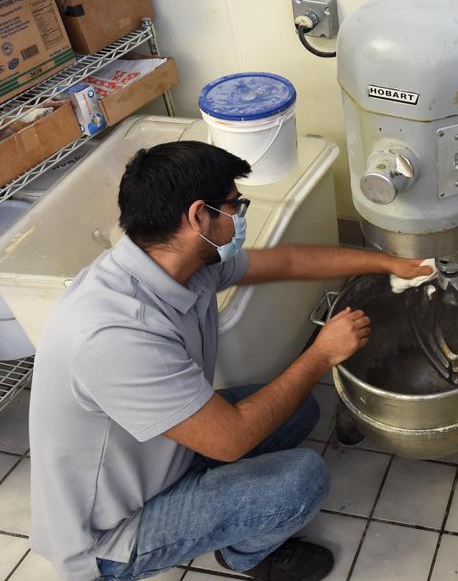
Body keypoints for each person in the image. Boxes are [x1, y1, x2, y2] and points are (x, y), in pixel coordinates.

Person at [27, 141, 434, 581]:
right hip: (111, 532)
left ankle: (217, 507)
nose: (240, 216)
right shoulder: (114, 335)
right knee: (301, 481)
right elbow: (231, 440)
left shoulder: (176, 261)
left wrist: (390, 264)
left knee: (300, 408)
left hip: (163, 457)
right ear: (199, 216)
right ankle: (246, 557)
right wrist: (322, 353)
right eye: (235, 204)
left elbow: (290, 260)